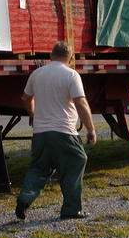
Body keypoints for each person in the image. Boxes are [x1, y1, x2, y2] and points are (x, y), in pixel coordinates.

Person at [15, 41, 97, 220]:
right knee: (76, 162)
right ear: (71, 58)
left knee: (38, 168)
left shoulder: (36, 74)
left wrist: (33, 113)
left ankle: (25, 198)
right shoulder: (71, 75)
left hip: (40, 133)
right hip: (64, 132)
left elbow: (26, 98)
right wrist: (91, 129)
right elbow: (81, 103)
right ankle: (71, 209)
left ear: (51, 55)